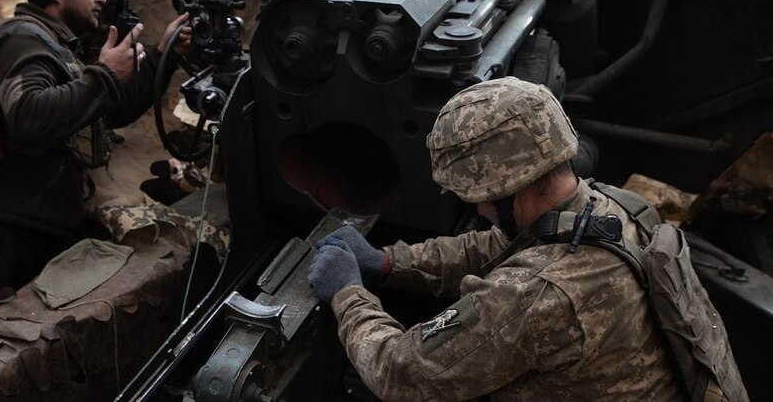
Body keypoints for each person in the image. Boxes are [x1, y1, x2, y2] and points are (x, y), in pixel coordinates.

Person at [307, 77, 732, 400]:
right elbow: (493, 247)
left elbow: (399, 373)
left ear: (505, 189)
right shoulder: (615, 207)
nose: (478, 210)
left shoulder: (531, 296)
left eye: (477, 198)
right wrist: (388, 262)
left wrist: (347, 295)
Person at [0, 0, 192, 329]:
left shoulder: (55, 46)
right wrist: (105, 75)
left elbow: (107, 111)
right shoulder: (22, 38)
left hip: (24, 229)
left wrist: (163, 55)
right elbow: (29, 116)